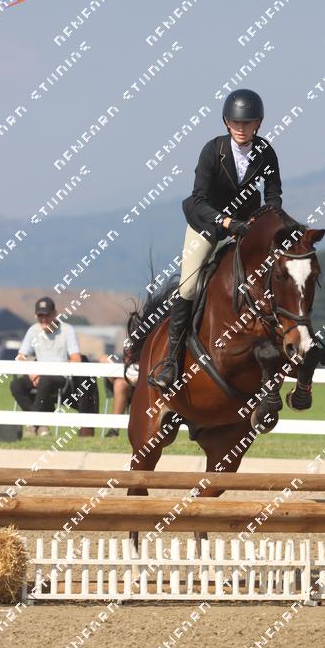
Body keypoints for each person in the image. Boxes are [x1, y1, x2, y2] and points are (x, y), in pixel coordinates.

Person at [152, 88, 283, 389]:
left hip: (246, 226)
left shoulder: (266, 152)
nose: (241, 128)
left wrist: (268, 223)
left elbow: (273, 195)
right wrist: (226, 222)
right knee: (188, 286)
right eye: (235, 122)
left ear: (258, 124)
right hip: (207, 225)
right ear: (226, 122)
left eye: (247, 122)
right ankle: (171, 360)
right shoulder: (213, 150)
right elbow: (198, 199)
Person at [11, 296, 81, 436]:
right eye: (40, 315)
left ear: (55, 314)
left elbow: (76, 359)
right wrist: (31, 373)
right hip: (38, 376)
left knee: (46, 380)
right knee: (16, 385)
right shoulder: (33, 330)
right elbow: (21, 356)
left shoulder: (67, 330)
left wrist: (48, 372)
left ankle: (32, 425)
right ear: (35, 315)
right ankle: (42, 424)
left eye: (47, 315)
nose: (43, 319)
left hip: (61, 378)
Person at [100, 354, 135, 438]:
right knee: (104, 359)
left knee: (120, 384)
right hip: (126, 370)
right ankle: (124, 378)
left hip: (140, 380)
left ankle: (114, 429)